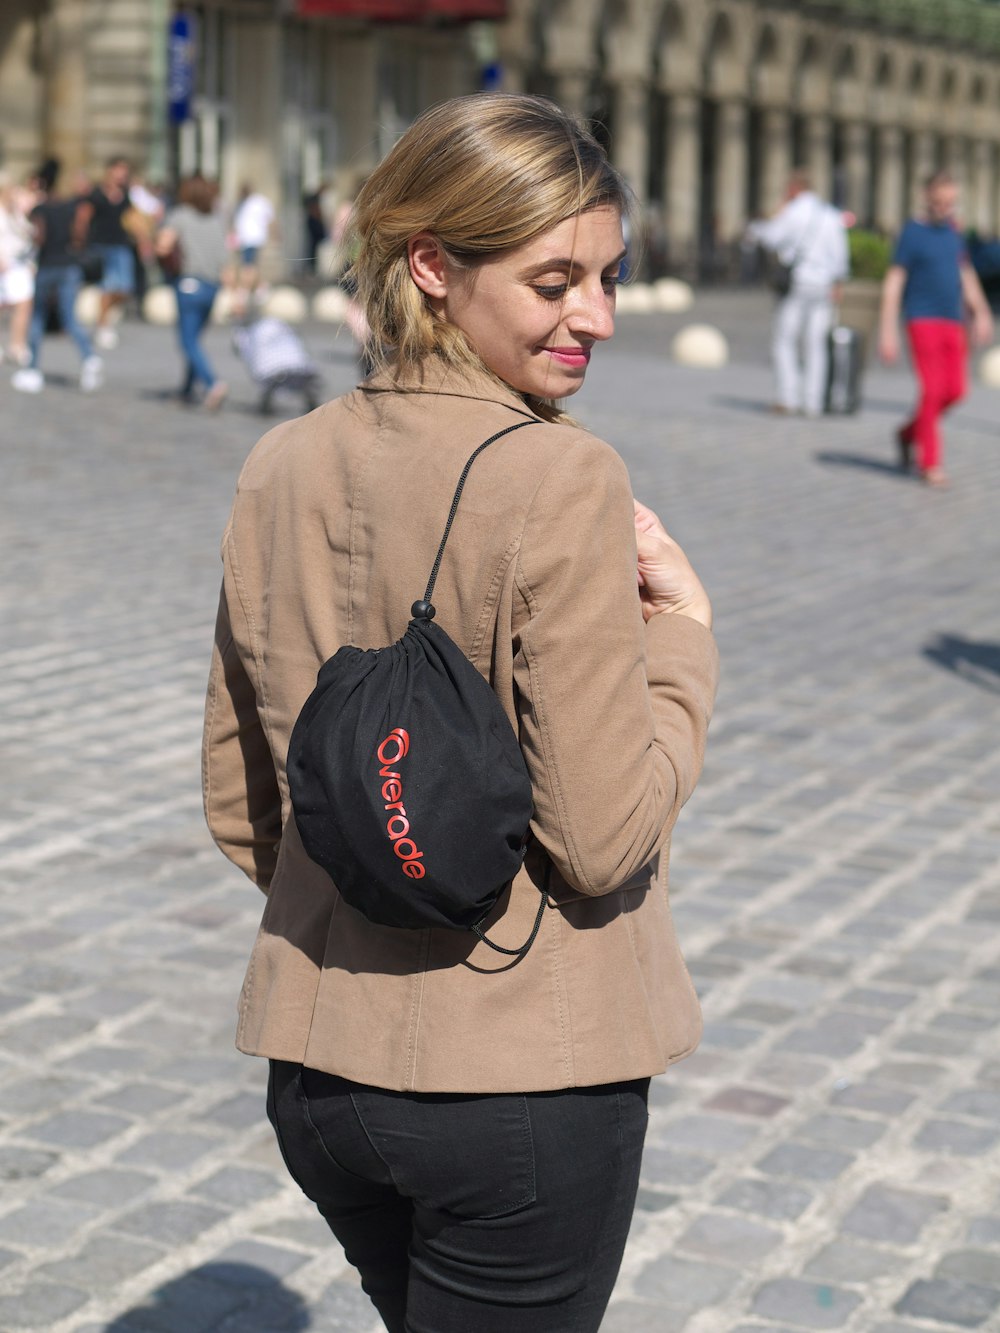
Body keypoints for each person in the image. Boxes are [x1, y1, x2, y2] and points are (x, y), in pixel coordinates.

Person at [202, 93, 718, 1333]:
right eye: (552, 282)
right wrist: (684, 645)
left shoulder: (280, 460)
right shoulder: (560, 473)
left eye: (608, 276)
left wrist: (385, 893)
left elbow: (240, 805)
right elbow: (598, 841)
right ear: (433, 266)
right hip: (524, 1087)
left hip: (321, 1074)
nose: (592, 315)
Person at [879, 170, 994, 486]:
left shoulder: (954, 233)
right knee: (932, 390)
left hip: (952, 320)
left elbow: (966, 275)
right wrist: (887, 330)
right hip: (921, 318)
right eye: (941, 201)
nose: (946, 207)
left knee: (956, 390)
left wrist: (982, 312)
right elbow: (894, 282)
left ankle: (907, 433)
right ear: (927, 197)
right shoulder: (912, 233)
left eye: (952, 202)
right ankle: (930, 462)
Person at [748, 168, 849, 417]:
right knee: (816, 344)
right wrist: (838, 283)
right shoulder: (831, 214)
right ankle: (813, 402)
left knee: (785, 340)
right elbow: (840, 255)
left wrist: (776, 213)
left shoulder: (792, 212)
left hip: (797, 284)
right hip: (824, 285)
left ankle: (788, 397)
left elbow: (769, 238)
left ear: (793, 189)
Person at [12, 163, 102, 394]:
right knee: (69, 317)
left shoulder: (41, 209)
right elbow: (79, 235)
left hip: (48, 265)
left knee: (39, 316)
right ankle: (89, 358)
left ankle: (32, 370)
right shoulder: (70, 207)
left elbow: (38, 237)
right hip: (69, 264)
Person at [155, 175, 230, 411]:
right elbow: (225, 259)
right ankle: (187, 389)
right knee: (195, 339)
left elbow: (163, 245)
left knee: (187, 341)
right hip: (212, 287)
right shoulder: (217, 219)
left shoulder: (180, 215)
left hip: (188, 284)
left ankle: (212, 383)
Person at [88, 156, 135, 349]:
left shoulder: (127, 193)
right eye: (119, 170)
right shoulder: (97, 193)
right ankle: (103, 326)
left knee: (125, 289)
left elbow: (132, 217)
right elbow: (86, 216)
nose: (122, 175)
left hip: (121, 244)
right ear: (110, 171)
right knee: (107, 287)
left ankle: (105, 319)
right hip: (101, 244)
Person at [0, 172, 36, 368]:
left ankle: (17, 344)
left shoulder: (16, 212)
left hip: (20, 263)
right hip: (4, 265)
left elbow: (28, 235)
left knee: (24, 305)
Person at [231, 183, 275, 310]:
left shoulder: (257, 201)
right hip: (246, 239)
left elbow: (270, 219)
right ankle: (255, 288)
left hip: (253, 238)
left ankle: (251, 289)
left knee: (248, 266)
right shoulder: (245, 203)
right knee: (250, 265)